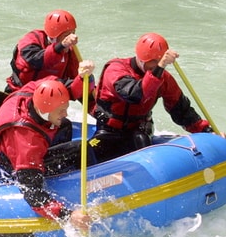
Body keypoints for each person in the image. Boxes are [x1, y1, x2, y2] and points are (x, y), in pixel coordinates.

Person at [0, 72, 96, 232]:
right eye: (60, 110)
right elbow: (33, 195)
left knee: (64, 124)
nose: (65, 113)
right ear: (45, 111)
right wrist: (69, 215)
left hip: (21, 148)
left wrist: (84, 76)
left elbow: (68, 88)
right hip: (13, 166)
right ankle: (91, 185)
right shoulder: (26, 142)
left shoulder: (35, 90)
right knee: (80, 148)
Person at [90, 32, 215, 163]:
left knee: (140, 139)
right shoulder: (116, 70)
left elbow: (180, 109)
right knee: (93, 151)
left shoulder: (163, 78)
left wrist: (206, 130)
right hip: (109, 129)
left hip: (139, 128)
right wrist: (160, 67)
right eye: (153, 63)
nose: (156, 68)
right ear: (141, 60)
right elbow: (134, 94)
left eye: (159, 64)